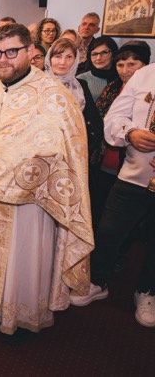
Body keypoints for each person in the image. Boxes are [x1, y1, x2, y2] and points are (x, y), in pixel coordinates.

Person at [0, 23, 94, 334]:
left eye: (11, 52)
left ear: (30, 51)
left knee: (21, 257)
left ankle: (17, 313)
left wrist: (18, 163)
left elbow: (67, 151)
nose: (3, 60)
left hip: (29, 200)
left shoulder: (54, 95)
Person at [70, 63, 155, 328]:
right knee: (109, 231)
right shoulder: (145, 74)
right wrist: (130, 132)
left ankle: (147, 291)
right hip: (133, 174)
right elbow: (114, 117)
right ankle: (98, 280)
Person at [91, 41, 151, 228]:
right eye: (120, 65)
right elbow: (109, 119)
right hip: (128, 171)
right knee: (109, 230)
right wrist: (130, 133)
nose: (125, 70)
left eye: (131, 64)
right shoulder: (121, 84)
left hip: (137, 168)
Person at [45, 38, 104, 184]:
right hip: (43, 153)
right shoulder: (38, 85)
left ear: (76, 60)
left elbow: (95, 122)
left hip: (73, 156)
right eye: (58, 56)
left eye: (69, 57)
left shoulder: (81, 85)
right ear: (50, 58)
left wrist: (84, 148)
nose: (62, 62)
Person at [77, 36, 119, 101]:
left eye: (104, 53)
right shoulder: (81, 79)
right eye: (94, 54)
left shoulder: (122, 77)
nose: (98, 58)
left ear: (113, 54)